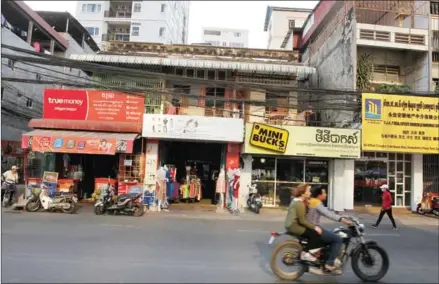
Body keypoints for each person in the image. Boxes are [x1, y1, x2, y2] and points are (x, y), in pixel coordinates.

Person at [307, 186, 353, 273]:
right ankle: (329, 263)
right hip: (314, 228)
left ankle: (325, 258)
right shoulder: (317, 203)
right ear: (319, 195)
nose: (326, 194)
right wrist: (343, 220)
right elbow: (328, 214)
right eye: (324, 193)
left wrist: (343, 216)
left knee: (332, 233)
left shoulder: (312, 201)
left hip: (311, 227)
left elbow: (328, 211)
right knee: (338, 239)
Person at [284, 183, 324, 263]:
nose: (310, 193)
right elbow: (302, 221)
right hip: (294, 226)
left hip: (289, 224)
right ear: (303, 193)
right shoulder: (299, 204)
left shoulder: (295, 200)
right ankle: (305, 254)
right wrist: (315, 227)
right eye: (308, 191)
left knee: (311, 232)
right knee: (314, 233)